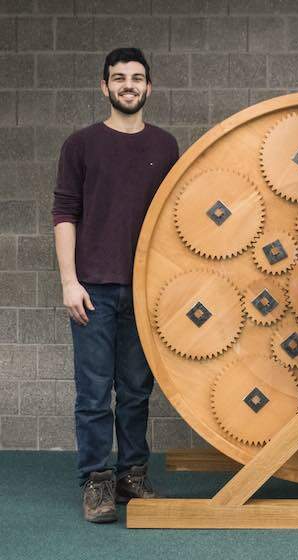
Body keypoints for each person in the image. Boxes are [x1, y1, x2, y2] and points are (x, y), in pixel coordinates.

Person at [52, 48, 179, 523]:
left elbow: (174, 221)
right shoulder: (80, 144)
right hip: (93, 289)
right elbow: (64, 215)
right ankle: (96, 481)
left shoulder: (166, 146)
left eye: (137, 77)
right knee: (92, 392)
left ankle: (131, 474)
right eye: (119, 78)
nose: (129, 85)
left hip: (146, 290)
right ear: (104, 87)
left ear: (150, 87)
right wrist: (70, 282)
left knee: (135, 390)